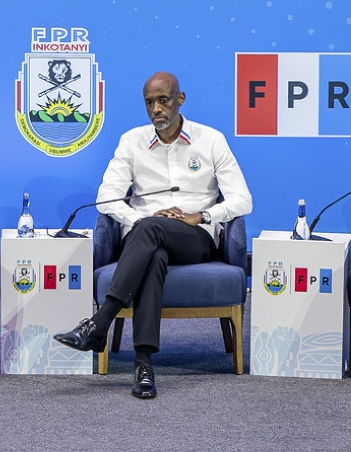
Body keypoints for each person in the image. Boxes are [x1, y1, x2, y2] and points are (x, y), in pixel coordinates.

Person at [53, 71, 252, 399]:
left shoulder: (211, 140)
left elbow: (243, 199)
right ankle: (143, 366)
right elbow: (107, 197)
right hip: (144, 237)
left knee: (150, 231)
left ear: (180, 100)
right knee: (153, 251)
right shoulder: (132, 141)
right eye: (149, 102)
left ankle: (99, 323)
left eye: (163, 100)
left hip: (193, 237)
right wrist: (140, 219)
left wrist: (201, 216)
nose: (156, 109)